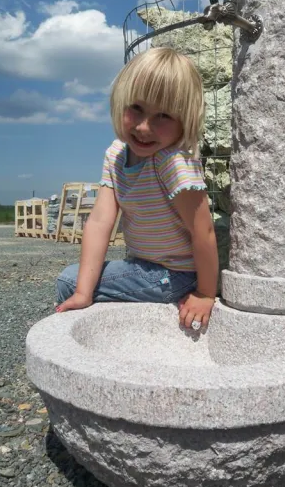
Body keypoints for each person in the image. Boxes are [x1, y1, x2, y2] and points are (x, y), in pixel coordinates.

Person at [55, 47, 219, 330]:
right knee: (78, 283)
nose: (144, 128)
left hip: (176, 275)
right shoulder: (117, 153)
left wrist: (205, 294)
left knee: (67, 281)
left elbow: (202, 231)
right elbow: (99, 221)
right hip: (144, 266)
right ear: (121, 103)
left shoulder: (172, 162)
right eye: (137, 109)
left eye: (164, 116)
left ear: (185, 120)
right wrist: (85, 292)